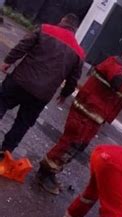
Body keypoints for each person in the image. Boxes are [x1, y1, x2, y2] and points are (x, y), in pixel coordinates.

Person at [37, 45, 122, 195]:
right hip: (84, 113)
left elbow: (116, 93)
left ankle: (52, 171)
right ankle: (44, 172)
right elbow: (118, 82)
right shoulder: (116, 64)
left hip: (94, 117)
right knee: (68, 143)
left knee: (76, 148)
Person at [0, 13, 84, 158]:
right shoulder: (79, 52)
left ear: (62, 21)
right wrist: (64, 94)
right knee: (22, 124)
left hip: (19, 81)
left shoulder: (45, 29)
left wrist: (8, 61)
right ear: (75, 29)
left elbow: (23, 46)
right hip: (41, 95)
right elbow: (73, 79)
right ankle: (4, 153)